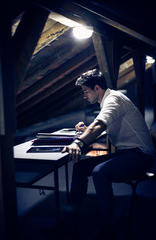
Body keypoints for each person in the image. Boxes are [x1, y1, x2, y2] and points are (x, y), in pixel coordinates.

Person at [61, 68, 155, 240]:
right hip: (126, 153)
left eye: (85, 91)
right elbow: (101, 126)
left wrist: (79, 142)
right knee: (81, 167)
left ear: (97, 88)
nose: (84, 96)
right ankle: (71, 223)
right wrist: (85, 131)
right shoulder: (108, 101)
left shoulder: (113, 99)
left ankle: (106, 230)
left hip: (141, 156)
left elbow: (99, 125)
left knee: (100, 172)